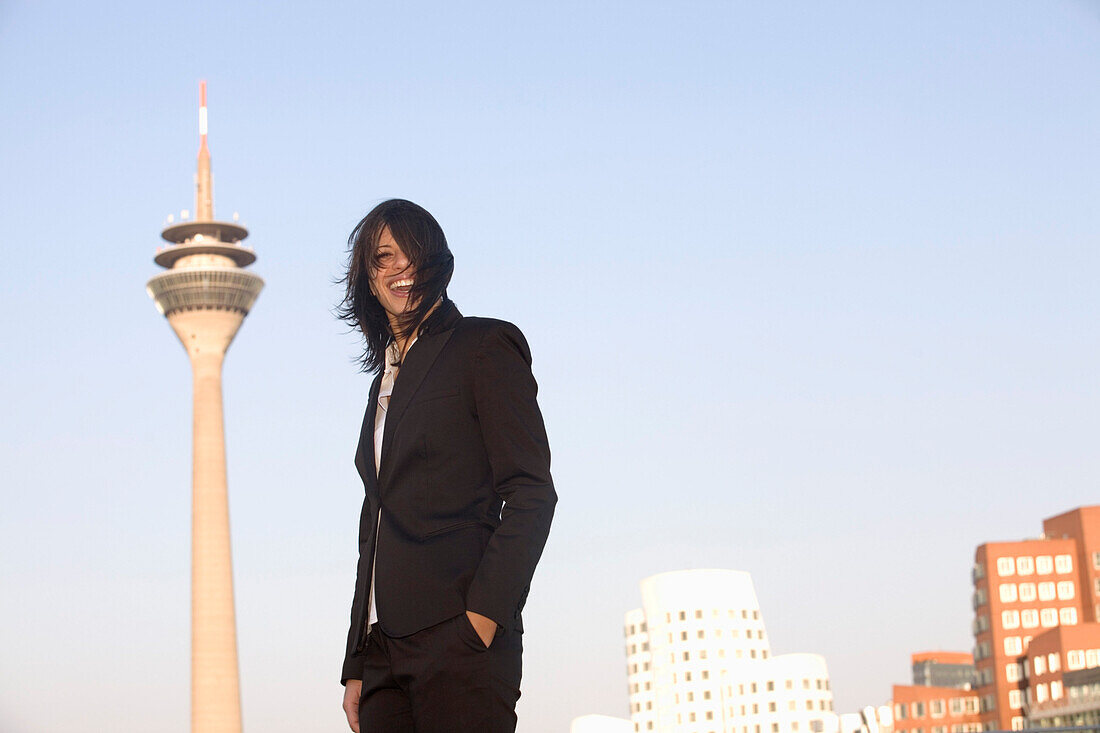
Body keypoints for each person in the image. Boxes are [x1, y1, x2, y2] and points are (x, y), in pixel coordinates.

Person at [335, 199, 557, 733]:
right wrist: (356, 661)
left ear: (438, 262)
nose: (401, 269)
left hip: (459, 640)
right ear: (367, 277)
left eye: (413, 254)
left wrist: (481, 619)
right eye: (384, 257)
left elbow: (531, 493)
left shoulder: (483, 345)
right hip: (383, 655)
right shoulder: (381, 386)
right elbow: (376, 520)